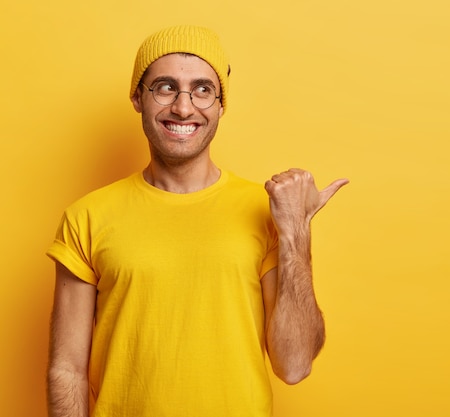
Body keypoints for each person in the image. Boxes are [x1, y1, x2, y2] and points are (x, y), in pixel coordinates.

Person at [45, 25, 348, 417]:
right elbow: (66, 370)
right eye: (165, 87)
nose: (184, 108)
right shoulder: (85, 217)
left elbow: (294, 365)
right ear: (138, 97)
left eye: (203, 89)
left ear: (221, 104)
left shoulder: (267, 210)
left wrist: (296, 231)